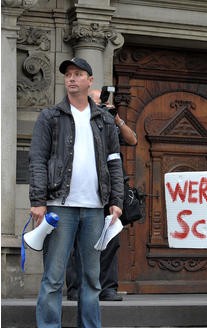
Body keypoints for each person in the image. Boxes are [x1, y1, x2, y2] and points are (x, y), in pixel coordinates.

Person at [29, 57, 124, 327]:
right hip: (59, 206)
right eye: (68, 74)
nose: (71, 78)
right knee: (53, 278)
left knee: (91, 279)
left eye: (78, 74)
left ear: (90, 81)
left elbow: (115, 162)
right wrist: (38, 201)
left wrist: (116, 201)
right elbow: (36, 159)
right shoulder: (50, 116)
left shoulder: (104, 120)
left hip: (94, 209)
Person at [66, 88, 137, 302]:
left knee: (111, 238)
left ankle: (107, 288)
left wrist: (116, 119)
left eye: (101, 102)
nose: (98, 105)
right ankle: (76, 288)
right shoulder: (78, 120)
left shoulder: (109, 123)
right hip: (84, 189)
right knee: (78, 240)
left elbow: (132, 140)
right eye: (95, 101)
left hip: (110, 190)